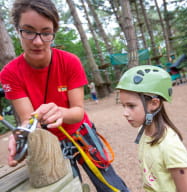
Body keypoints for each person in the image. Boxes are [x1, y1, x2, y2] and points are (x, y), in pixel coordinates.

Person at [0, 0, 130, 192]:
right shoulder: (9, 73)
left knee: (109, 183)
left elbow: (78, 112)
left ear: (54, 32)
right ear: (17, 29)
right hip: (49, 144)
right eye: (28, 31)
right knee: (68, 187)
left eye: (46, 33)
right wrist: (21, 135)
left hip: (81, 133)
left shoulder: (70, 62)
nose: (37, 41)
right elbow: (28, 119)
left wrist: (60, 112)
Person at [116, 65, 187, 192]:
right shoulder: (143, 133)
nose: (125, 113)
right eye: (123, 106)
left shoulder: (170, 146)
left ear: (154, 103)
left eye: (131, 106)